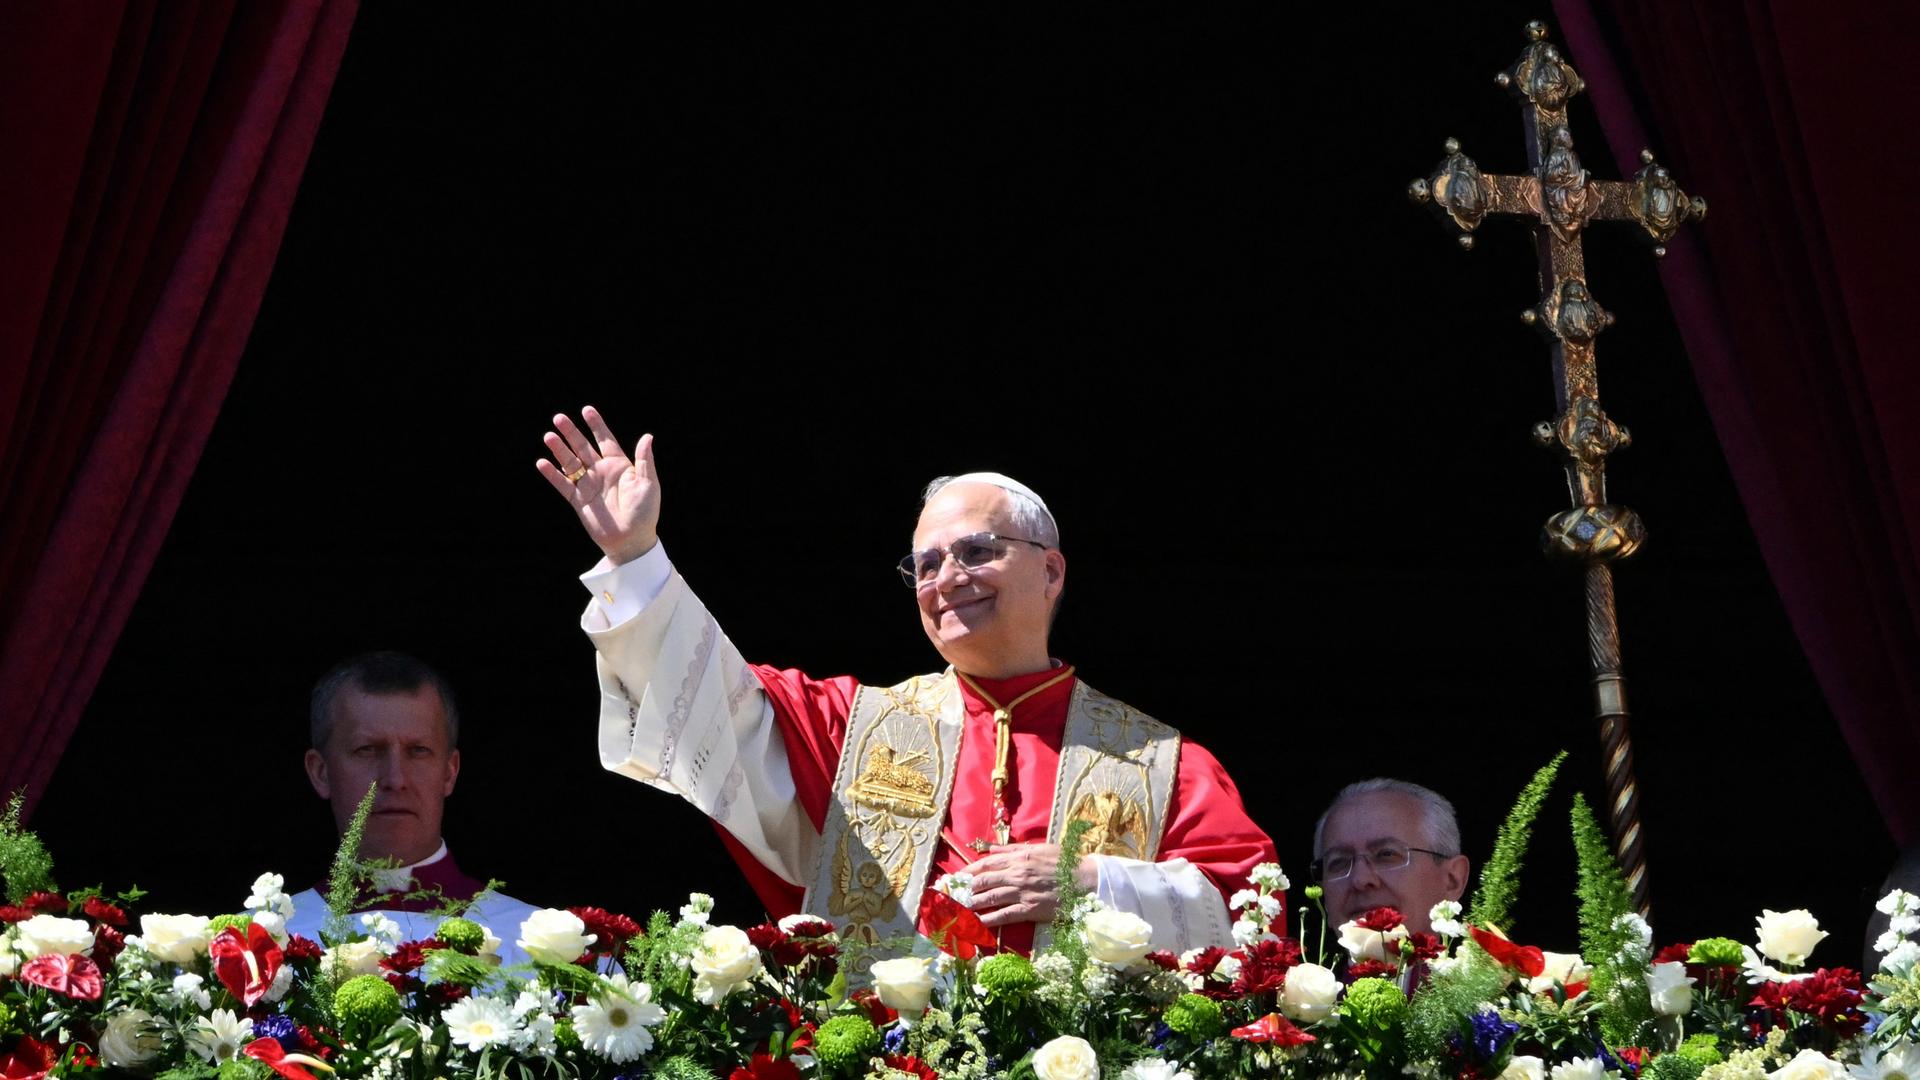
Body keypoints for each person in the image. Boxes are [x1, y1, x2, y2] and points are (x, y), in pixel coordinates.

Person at [536, 407, 1277, 964]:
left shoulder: (1163, 763)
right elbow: (712, 710)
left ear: (1051, 570)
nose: (946, 579)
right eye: (925, 565)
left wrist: (1092, 881)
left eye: (977, 551)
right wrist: (636, 557)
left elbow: (1259, 920)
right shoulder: (847, 726)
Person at [284, 651, 540, 962]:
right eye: (368, 750)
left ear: (449, 771)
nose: (395, 779)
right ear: (321, 772)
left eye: (418, 751)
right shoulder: (261, 948)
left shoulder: (538, 946)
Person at [1312, 778, 1470, 936]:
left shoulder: (1491, 961)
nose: (1360, 879)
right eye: (1339, 862)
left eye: (1386, 854)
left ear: (1452, 880)